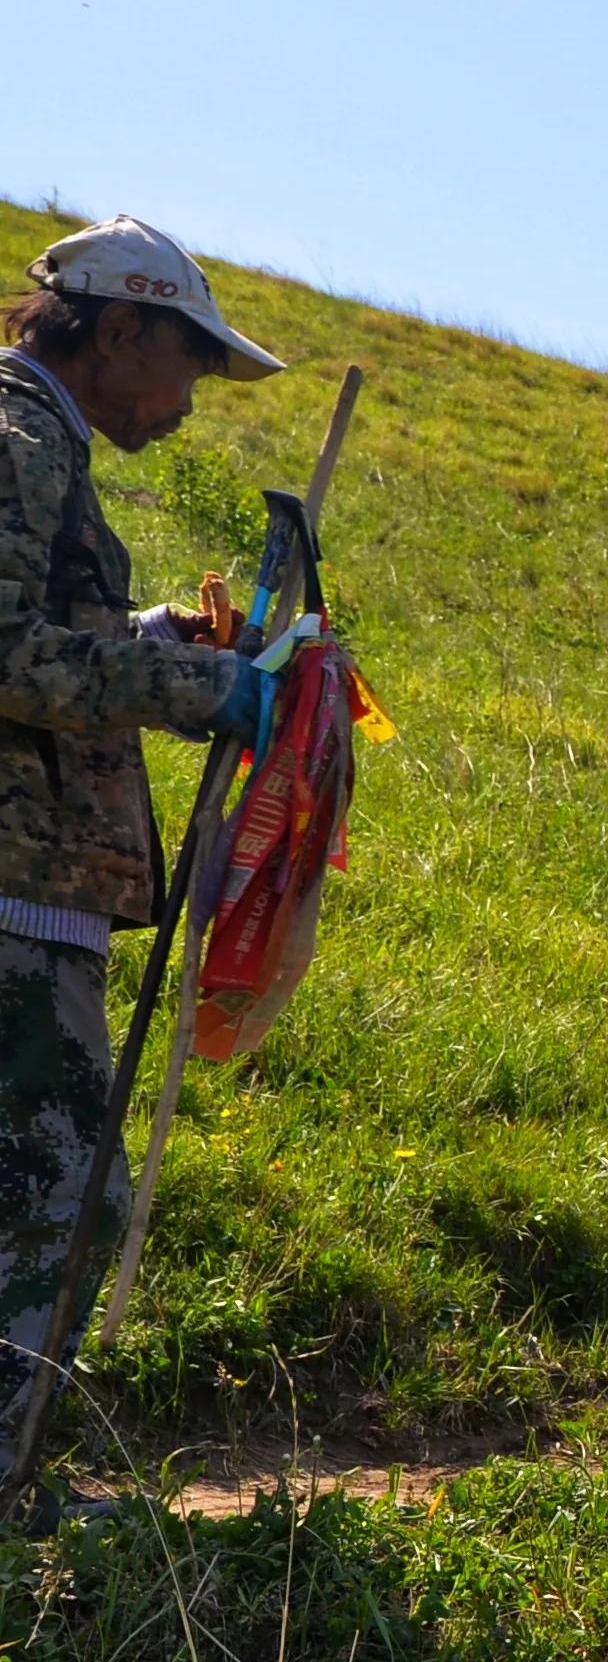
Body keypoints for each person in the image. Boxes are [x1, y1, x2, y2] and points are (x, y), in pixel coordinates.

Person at [2, 218, 289, 1452]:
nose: (189, 402)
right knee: (59, 1203)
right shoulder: (19, 437)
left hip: (30, 895)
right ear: (120, 329)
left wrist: (157, 639)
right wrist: (196, 689)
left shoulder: (38, 440)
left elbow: (42, 629)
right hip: (12, 905)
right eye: (190, 366)